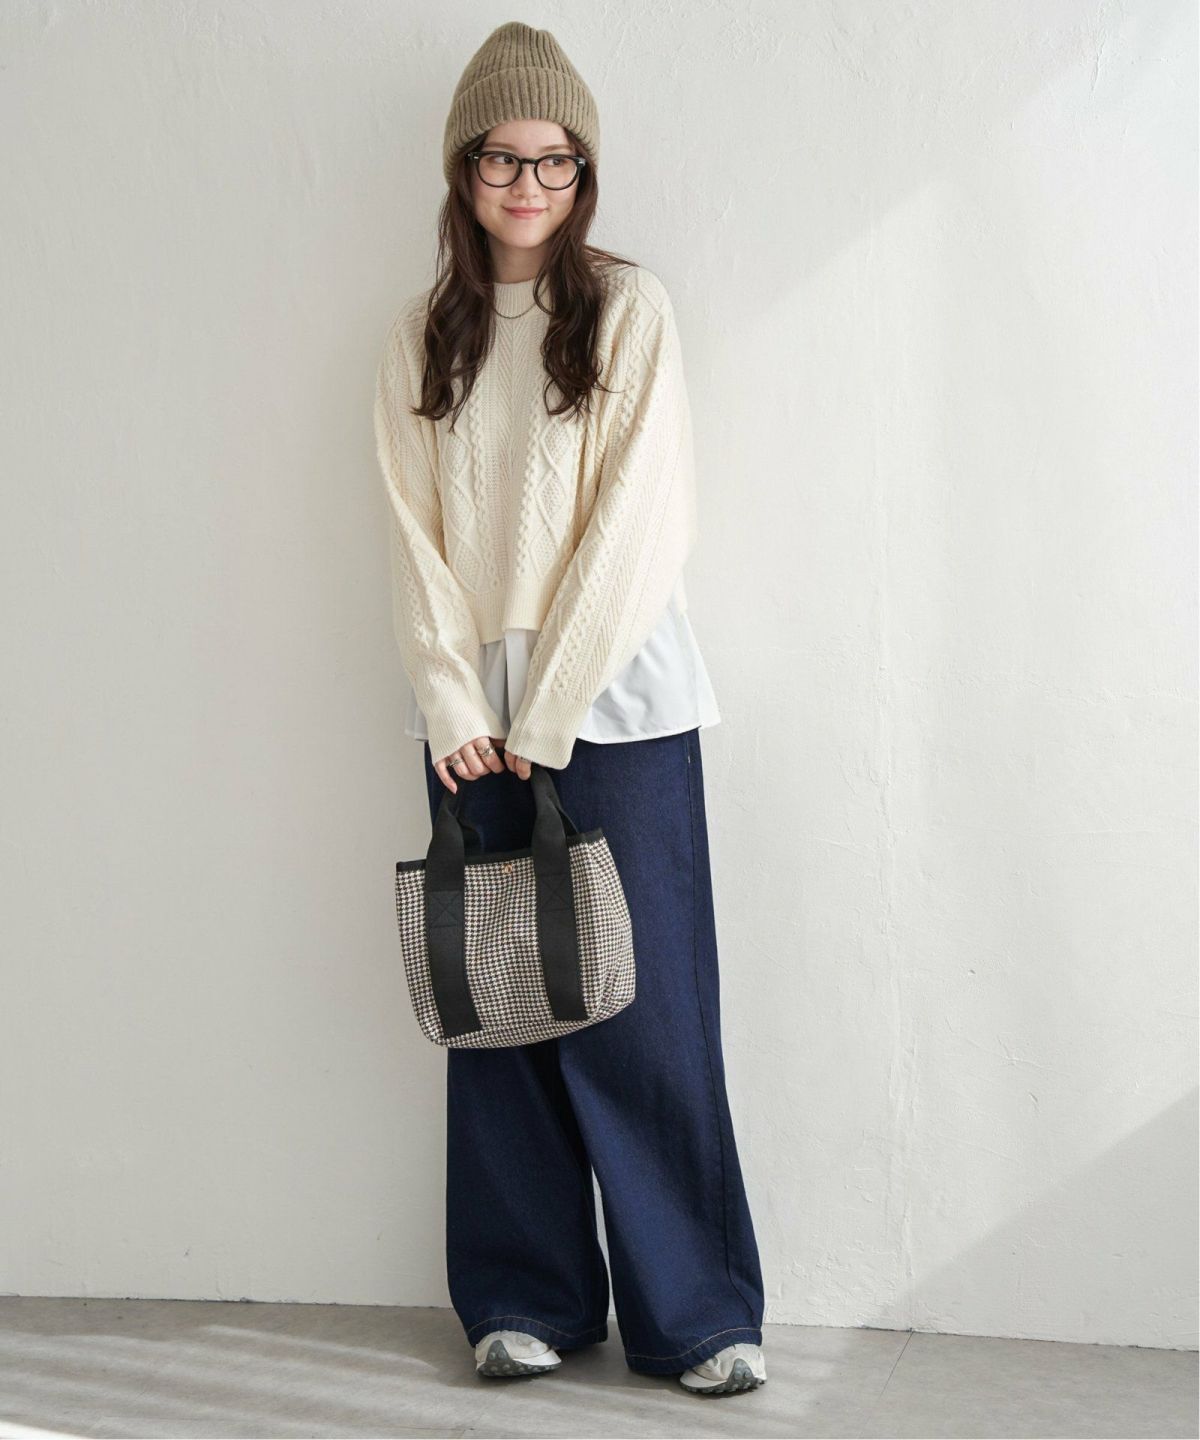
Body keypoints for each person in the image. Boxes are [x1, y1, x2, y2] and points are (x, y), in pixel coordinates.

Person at [373, 21, 767, 1398]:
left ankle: (698, 1316)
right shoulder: (421, 337)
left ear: (584, 172)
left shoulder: (629, 312)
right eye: (503, 157)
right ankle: (522, 1296)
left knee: (648, 1015)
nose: (528, 184)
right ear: (464, 168)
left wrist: (547, 712)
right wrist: (449, 701)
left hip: (618, 708)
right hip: (468, 723)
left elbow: (641, 528)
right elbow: (410, 536)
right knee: (500, 1012)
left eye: (555, 160)